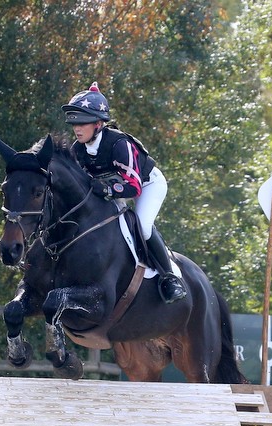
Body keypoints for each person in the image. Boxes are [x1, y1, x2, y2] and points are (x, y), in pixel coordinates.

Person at [61, 82, 187, 304]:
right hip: (116, 187)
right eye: (74, 124)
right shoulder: (78, 149)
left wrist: (106, 189)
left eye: (82, 123)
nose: (77, 129)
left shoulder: (119, 143)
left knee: (142, 224)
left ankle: (169, 277)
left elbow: (133, 187)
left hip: (147, 185)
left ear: (98, 124)